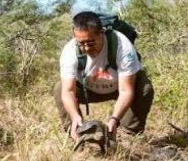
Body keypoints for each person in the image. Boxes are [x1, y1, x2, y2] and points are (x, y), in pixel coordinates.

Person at [54, 11, 154, 141]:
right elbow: (68, 91)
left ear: (102, 33)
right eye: (81, 44)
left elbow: (126, 91)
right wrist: (74, 116)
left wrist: (114, 119)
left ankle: (128, 135)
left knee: (144, 86)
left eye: (90, 43)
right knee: (60, 88)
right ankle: (75, 135)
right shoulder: (70, 51)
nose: (86, 48)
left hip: (118, 88)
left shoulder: (122, 46)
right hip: (88, 89)